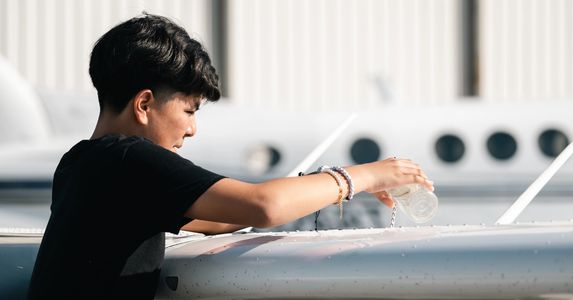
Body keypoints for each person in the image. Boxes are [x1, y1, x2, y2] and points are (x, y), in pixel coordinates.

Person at [27, 13, 434, 300]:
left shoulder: (82, 162)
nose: (192, 129)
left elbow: (220, 216)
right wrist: (362, 176)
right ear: (145, 104)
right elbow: (261, 206)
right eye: (188, 111)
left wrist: (324, 189)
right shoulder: (129, 159)